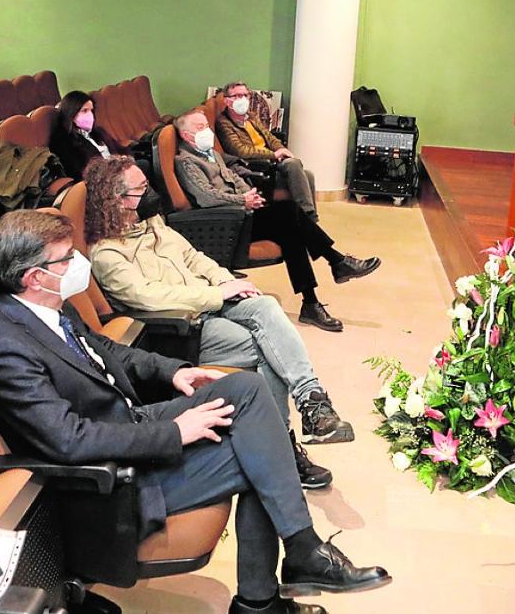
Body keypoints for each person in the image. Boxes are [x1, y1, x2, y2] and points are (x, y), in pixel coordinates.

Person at [0, 209, 390, 614]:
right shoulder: (4, 344)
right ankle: (268, 590)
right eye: (66, 258)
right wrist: (176, 432)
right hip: (113, 480)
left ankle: (297, 558)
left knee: (245, 389)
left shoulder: (46, 308)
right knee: (261, 458)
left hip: (127, 421)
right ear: (34, 277)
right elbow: (69, 441)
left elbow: (107, 352)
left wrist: (174, 372)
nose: (80, 263)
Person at [85, 156, 352, 478]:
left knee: (266, 307)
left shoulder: (152, 223)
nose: (151, 192)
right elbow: (147, 296)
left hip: (210, 302)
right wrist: (215, 296)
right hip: (182, 328)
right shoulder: (107, 253)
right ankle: (285, 448)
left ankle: (312, 404)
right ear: (117, 200)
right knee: (264, 347)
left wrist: (226, 281)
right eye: (142, 188)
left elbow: (194, 257)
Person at [173, 110, 379, 332]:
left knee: (291, 228)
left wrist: (251, 195)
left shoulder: (211, 153)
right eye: (200, 127)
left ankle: (311, 301)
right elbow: (205, 197)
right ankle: (337, 262)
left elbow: (234, 178)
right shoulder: (186, 161)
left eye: (207, 125)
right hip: (225, 223)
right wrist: (242, 200)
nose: (208, 131)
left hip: (242, 214)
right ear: (186, 136)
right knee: (289, 212)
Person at [215, 81, 317, 220]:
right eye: (237, 96)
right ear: (227, 100)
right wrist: (274, 154)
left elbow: (270, 137)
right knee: (293, 164)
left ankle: (308, 219)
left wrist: (281, 149)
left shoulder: (251, 117)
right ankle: (308, 217)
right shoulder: (223, 122)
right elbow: (241, 150)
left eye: (245, 95)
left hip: (271, 161)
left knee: (308, 175)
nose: (243, 99)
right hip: (256, 164)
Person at [49, 91, 127, 181]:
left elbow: (121, 149)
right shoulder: (64, 142)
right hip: (102, 182)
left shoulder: (98, 132)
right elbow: (82, 172)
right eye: (85, 111)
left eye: (91, 110)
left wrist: (125, 160)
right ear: (71, 113)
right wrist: (113, 167)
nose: (90, 115)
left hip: (118, 172)